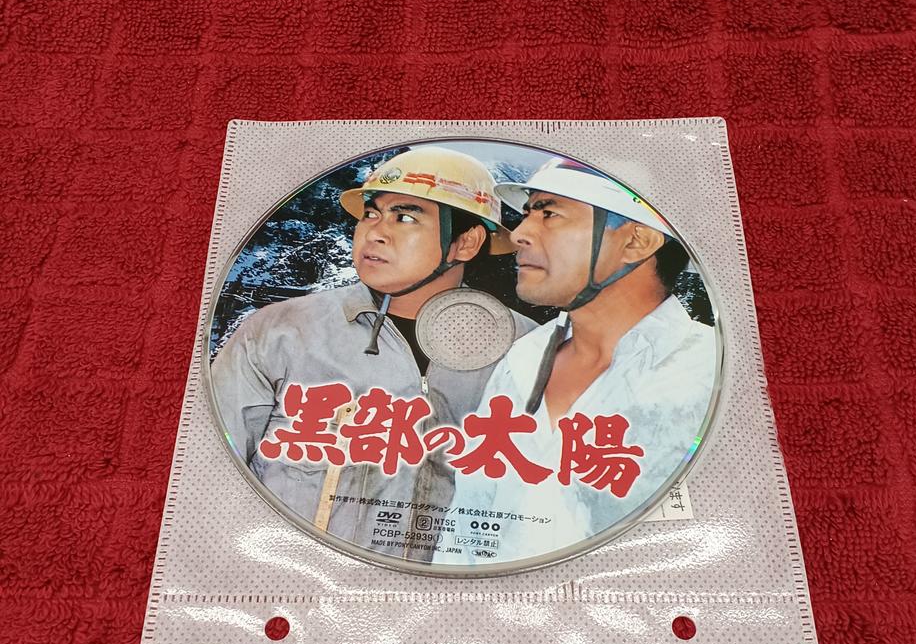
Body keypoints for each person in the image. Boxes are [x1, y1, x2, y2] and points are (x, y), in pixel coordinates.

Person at [210, 146, 534, 563]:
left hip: (446, 592)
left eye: (406, 217)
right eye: (370, 214)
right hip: (295, 577)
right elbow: (210, 469)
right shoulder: (280, 331)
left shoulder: (529, 350)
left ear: (466, 242)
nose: (374, 233)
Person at [434, 157, 719, 568]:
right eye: (527, 214)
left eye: (549, 214)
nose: (519, 234)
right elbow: (467, 522)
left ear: (636, 242)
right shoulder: (523, 358)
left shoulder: (706, 371)